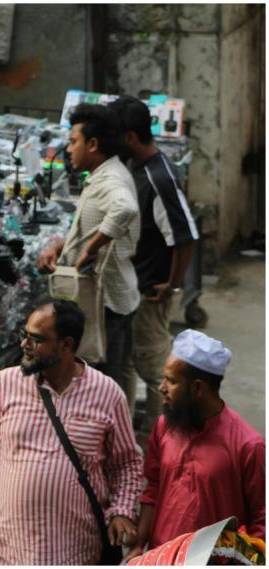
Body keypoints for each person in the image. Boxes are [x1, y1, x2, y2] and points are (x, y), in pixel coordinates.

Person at [0, 300, 143, 565]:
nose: (24, 345)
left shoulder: (107, 394)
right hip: (9, 551)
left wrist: (122, 511)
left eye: (36, 339)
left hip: (76, 552)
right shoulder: (4, 385)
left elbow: (127, 464)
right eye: (25, 336)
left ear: (66, 345)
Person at [124, 330, 265, 560]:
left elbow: (261, 519)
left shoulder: (248, 445)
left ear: (198, 389)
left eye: (171, 381)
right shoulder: (164, 426)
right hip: (161, 557)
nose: (161, 387)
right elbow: (153, 489)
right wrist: (139, 546)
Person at [108, 95, 199, 432]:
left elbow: (185, 237)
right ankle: (131, 434)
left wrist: (171, 285)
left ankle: (163, 437)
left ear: (130, 137)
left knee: (155, 367)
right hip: (137, 286)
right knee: (130, 363)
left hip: (152, 291)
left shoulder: (159, 177)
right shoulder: (137, 168)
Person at [37, 103, 140, 397]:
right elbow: (92, 224)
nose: (68, 150)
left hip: (107, 302)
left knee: (105, 385)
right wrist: (61, 246)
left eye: (73, 142)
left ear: (93, 144)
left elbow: (125, 208)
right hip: (109, 297)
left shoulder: (110, 180)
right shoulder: (102, 174)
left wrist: (92, 249)